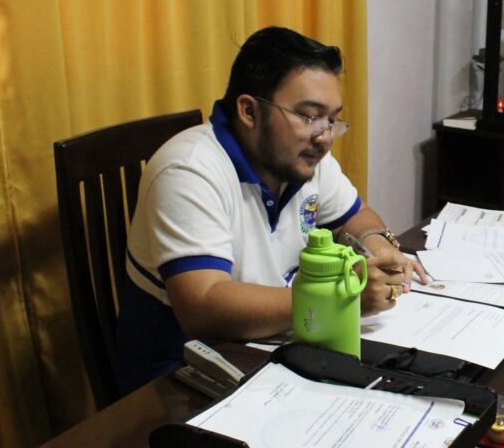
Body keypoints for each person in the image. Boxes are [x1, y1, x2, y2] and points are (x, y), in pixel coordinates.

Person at [115, 26, 426, 393]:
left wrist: (380, 248)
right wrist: (341, 300)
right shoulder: (188, 170)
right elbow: (203, 305)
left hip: (279, 347)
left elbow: (356, 216)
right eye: (309, 116)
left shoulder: (302, 158)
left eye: (332, 120)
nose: (325, 136)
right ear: (249, 111)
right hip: (187, 376)